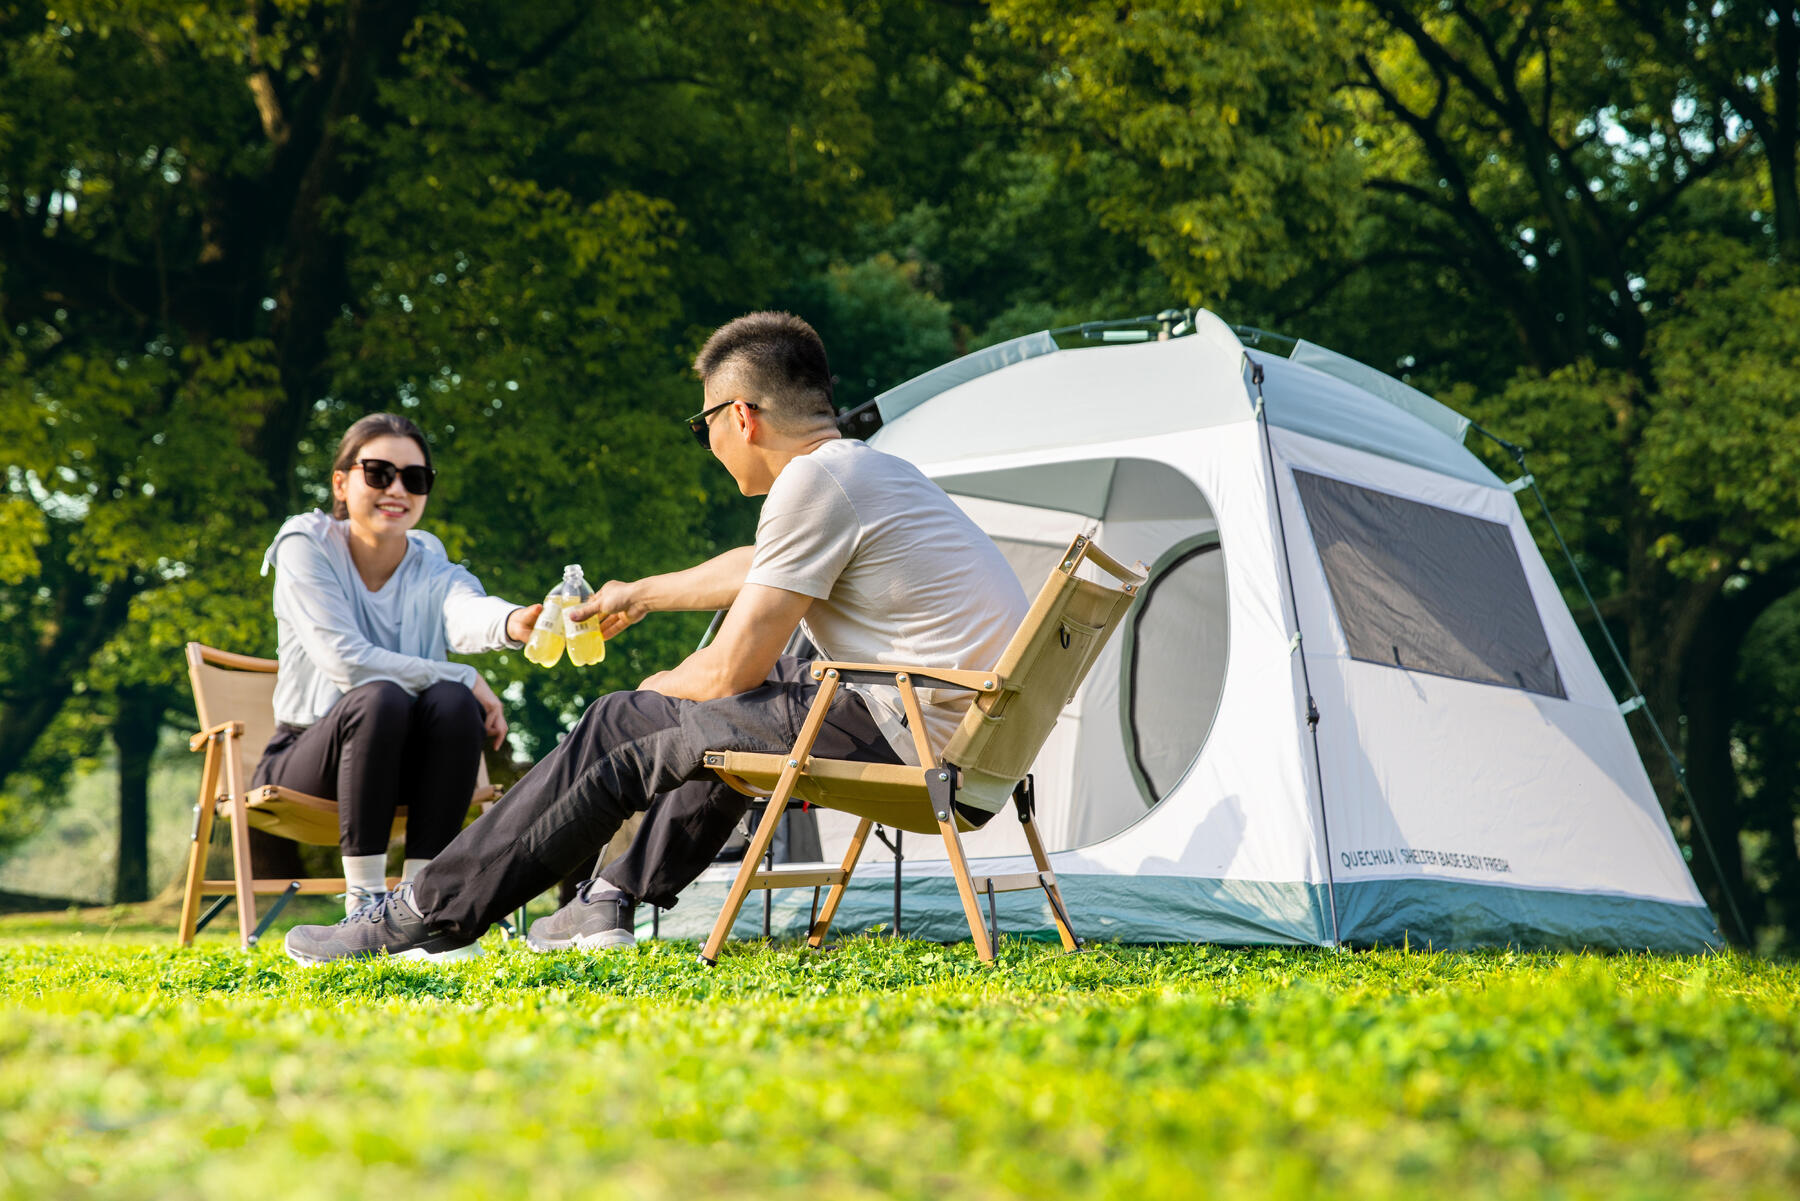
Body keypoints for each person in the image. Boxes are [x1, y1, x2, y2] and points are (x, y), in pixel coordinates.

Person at [282, 312, 1028, 965]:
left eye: (700, 422)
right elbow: (759, 568)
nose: (705, 438)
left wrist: (639, 704)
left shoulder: (814, 485)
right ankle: (607, 897)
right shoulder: (869, 471)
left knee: (631, 719)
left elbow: (732, 668)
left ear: (742, 416)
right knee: (717, 721)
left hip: (911, 736)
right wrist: (642, 594)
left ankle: (421, 913)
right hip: (963, 741)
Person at [256, 412, 538, 957]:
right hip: (309, 759)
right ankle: (363, 906)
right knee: (382, 694)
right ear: (341, 482)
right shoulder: (304, 544)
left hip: (409, 767)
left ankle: (421, 909)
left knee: (453, 702)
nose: (397, 490)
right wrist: (461, 671)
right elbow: (347, 663)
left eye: (415, 478)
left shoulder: (428, 558)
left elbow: (466, 611)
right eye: (379, 473)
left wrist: (514, 623)